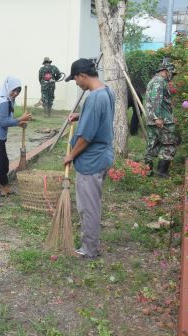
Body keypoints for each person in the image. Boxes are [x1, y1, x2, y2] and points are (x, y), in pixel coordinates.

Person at [64, 58, 115, 259]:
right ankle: (90, 244)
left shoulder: (94, 99)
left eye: (76, 79)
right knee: (93, 203)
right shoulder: (106, 91)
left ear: (82, 76)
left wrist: (71, 155)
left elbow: (86, 137)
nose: (76, 84)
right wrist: (80, 115)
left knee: (88, 207)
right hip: (103, 156)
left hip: (91, 161)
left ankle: (89, 249)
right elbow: (99, 117)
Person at [0, 76, 32, 205]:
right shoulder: (3, 101)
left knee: (4, 163)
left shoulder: (7, 99)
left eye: (18, 91)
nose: (15, 93)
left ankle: (4, 187)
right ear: (7, 88)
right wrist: (20, 119)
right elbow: (4, 122)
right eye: (14, 90)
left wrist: (19, 123)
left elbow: (6, 120)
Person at [144, 58, 178, 178]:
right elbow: (156, 100)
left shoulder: (153, 81)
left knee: (152, 145)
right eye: (171, 73)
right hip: (162, 120)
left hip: (152, 120)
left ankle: (146, 171)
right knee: (169, 145)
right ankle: (161, 172)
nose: (172, 76)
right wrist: (157, 118)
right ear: (165, 70)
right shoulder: (160, 81)